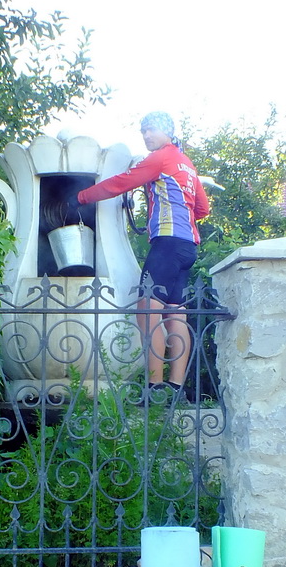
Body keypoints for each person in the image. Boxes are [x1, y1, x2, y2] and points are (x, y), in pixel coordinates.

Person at [72, 111, 210, 400]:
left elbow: (121, 183)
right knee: (175, 312)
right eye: (143, 131)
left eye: (151, 130)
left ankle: (154, 388)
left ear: (167, 132)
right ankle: (175, 388)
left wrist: (80, 197)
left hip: (168, 244)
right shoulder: (186, 163)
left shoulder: (160, 158)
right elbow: (202, 209)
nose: (146, 136)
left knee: (147, 310)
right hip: (187, 245)